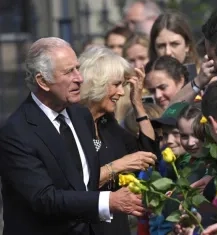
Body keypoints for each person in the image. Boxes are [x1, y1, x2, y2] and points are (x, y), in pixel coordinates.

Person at [0, 37, 146, 235]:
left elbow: (86, 181)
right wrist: (108, 201)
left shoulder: (80, 115)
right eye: (69, 72)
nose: (79, 78)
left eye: (77, 68)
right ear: (43, 81)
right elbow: (44, 198)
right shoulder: (17, 131)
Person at [78, 46, 158, 235]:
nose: (121, 92)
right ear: (96, 84)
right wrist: (118, 166)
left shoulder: (107, 123)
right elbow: (75, 186)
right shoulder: (72, 125)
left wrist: (137, 104)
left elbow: (147, 153)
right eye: (116, 85)